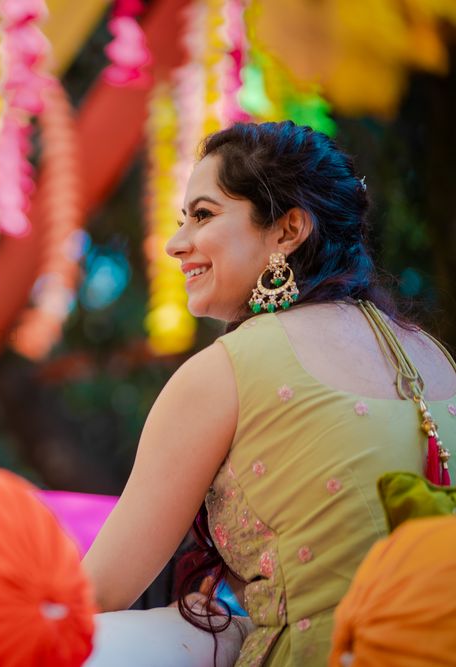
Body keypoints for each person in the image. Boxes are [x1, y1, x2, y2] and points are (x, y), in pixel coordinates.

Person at [82, 121, 456, 666]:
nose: (174, 243)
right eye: (181, 219)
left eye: (203, 215)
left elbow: (99, 591)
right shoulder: (435, 356)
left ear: (288, 231)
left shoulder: (224, 371)